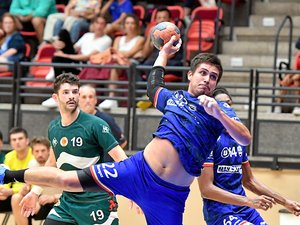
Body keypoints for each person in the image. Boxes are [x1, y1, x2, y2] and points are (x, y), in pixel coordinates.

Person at [1, 36, 252, 225]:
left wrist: (219, 112)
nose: (207, 80)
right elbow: (154, 83)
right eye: (203, 73)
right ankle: (8, 174)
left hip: (169, 196)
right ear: (190, 75)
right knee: (68, 179)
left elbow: (244, 138)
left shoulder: (218, 111)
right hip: (137, 170)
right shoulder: (173, 98)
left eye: (213, 77)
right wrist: (163, 53)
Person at [9, 72, 128, 225]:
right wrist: (35, 193)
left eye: (74, 92)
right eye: (65, 92)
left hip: (98, 201)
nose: (71, 96)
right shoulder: (53, 127)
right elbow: (51, 165)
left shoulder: (96, 124)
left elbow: (123, 160)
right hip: (68, 203)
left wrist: (136, 193)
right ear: (55, 98)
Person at [198, 87, 300, 225]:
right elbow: (206, 190)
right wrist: (249, 201)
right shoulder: (208, 139)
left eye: (228, 103)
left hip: (244, 208)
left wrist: (285, 202)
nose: (226, 107)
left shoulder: (239, 138)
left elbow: (249, 181)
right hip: (220, 210)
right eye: (221, 104)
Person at [42, 14, 112, 108]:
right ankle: (54, 44)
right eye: (97, 23)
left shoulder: (106, 39)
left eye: (102, 24)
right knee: (64, 33)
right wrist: (61, 46)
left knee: (58, 59)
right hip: (76, 60)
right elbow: (74, 48)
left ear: (105, 26)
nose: (99, 26)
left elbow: (87, 57)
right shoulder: (87, 35)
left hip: (87, 65)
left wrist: (65, 55)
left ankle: (54, 76)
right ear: (93, 24)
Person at [98, 13, 144, 110]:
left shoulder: (140, 39)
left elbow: (129, 54)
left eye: (132, 23)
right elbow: (112, 53)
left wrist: (119, 53)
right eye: (127, 23)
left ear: (136, 25)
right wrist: (120, 54)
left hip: (131, 63)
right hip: (116, 62)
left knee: (114, 66)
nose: (130, 26)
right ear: (124, 26)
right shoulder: (118, 39)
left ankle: (111, 97)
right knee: (110, 64)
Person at [11, 136, 60, 225]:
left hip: (58, 202)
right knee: (17, 198)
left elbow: (71, 191)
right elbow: (28, 188)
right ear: (32, 152)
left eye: (43, 151)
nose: (40, 154)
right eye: (37, 151)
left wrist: (52, 198)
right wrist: (24, 190)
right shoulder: (32, 164)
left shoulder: (59, 164)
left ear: (49, 151)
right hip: (39, 202)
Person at [79, 84, 127, 148]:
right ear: (78, 100)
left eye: (90, 97)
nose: (88, 100)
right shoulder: (73, 120)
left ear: (95, 100)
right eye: (84, 97)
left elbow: (122, 142)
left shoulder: (106, 120)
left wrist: (109, 157)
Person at [0, 127, 33, 214]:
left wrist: (11, 191)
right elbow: (4, 178)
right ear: (11, 143)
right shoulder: (9, 157)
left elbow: (31, 185)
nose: (17, 142)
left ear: (27, 140)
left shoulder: (34, 155)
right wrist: (3, 190)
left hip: (31, 193)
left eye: (20, 138)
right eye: (14, 140)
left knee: (17, 198)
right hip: (12, 194)